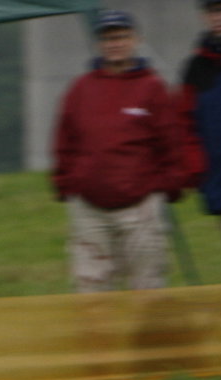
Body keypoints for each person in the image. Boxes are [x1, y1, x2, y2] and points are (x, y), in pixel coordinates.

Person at [53, 11, 186, 292]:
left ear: (136, 40)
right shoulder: (81, 88)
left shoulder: (152, 87)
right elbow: (65, 139)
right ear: (99, 44)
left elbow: (170, 143)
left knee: (148, 291)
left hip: (140, 209)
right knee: (92, 295)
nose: (114, 43)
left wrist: (167, 188)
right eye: (107, 38)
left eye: (121, 37)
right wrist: (66, 183)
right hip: (90, 210)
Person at [181, 0, 221, 269]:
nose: (220, 17)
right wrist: (197, 170)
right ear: (205, 17)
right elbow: (186, 124)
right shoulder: (196, 68)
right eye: (214, 11)